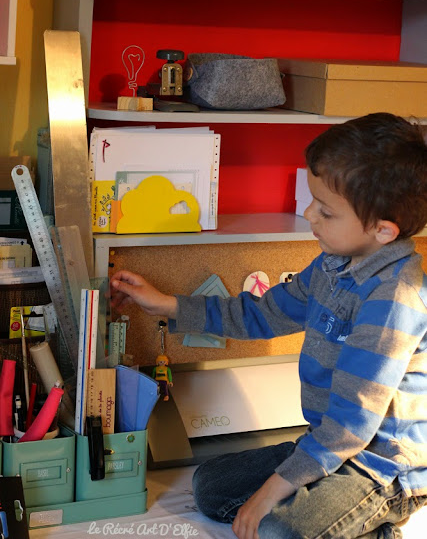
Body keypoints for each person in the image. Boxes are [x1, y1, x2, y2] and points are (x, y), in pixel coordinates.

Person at [110, 113, 427, 539]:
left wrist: (270, 493)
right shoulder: (333, 264)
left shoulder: (394, 300)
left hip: (382, 470)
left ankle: (378, 525)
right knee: (211, 488)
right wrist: (166, 304)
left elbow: (351, 424)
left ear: (382, 231)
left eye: (325, 211)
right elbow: (260, 314)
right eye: (313, 201)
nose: (309, 214)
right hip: (329, 442)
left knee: (275, 531)